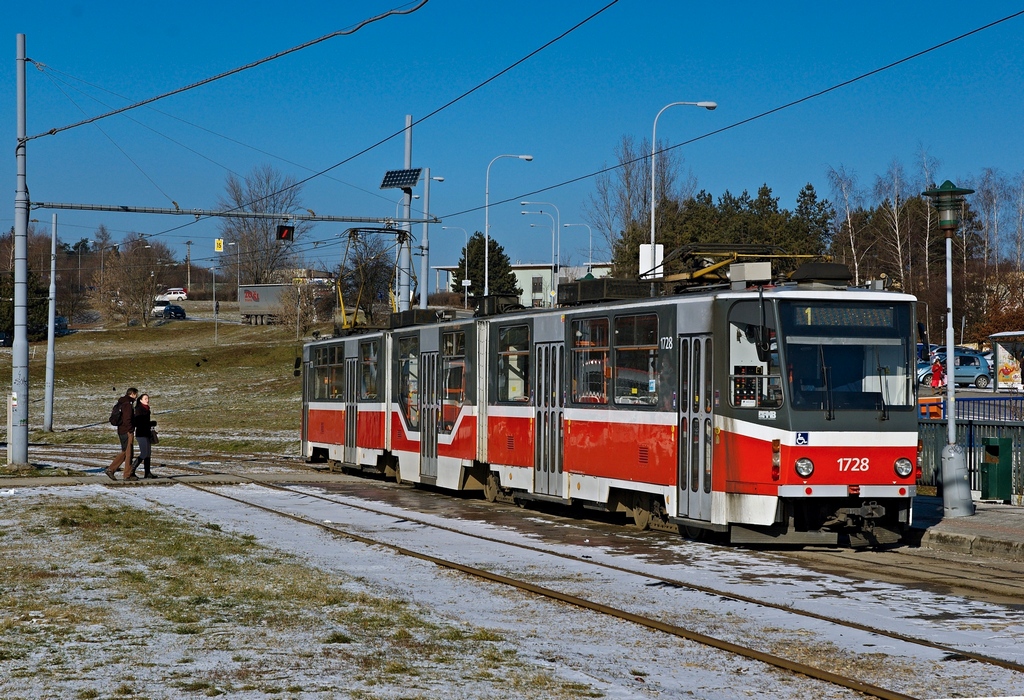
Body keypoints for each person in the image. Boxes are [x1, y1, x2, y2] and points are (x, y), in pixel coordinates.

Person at [105, 388, 138, 480]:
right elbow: (127, 418)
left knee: (125, 451)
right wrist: (131, 429)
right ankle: (127, 474)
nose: (136, 396)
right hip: (126, 430)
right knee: (128, 453)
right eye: (136, 394)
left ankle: (111, 469)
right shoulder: (128, 404)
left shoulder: (121, 402)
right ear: (132, 394)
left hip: (121, 429)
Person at [126, 394, 158, 481]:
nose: (147, 400)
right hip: (141, 434)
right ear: (140, 400)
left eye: (148, 398)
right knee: (144, 453)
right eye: (145, 398)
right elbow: (138, 423)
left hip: (147, 433)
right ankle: (131, 471)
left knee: (148, 454)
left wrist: (150, 424)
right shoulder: (139, 409)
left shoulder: (147, 409)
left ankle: (147, 473)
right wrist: (150, 423)